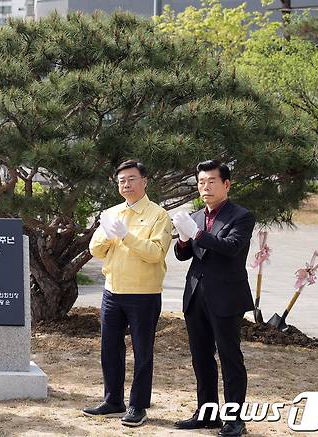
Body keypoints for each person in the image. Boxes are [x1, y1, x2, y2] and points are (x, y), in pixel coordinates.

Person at [83, 160, 172, 427]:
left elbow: (155, 253)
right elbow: (95, 250)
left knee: (142, 352)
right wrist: (108, 235)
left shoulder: (158, 215)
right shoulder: (112, 213)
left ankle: (138, 406)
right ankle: (113, 400)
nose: (126, 184)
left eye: (132, 179)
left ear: (145, 181)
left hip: (143, 293)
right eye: (121, 180)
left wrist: (127, 237)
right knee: (109, 348)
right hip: (113, 291)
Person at [172, 160, 255, 437]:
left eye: (211, 182)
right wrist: (184, 238)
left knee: (230, 357)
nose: (205, 187)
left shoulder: (241, 216)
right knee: (201, 357)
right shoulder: (195, 216)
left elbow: (230, 248)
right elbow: (183, 255)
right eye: (201, 182)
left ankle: (235, 419)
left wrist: (195, 233)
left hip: (226, 297)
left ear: (226, 184)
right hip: (196, 295)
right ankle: (207, 413)